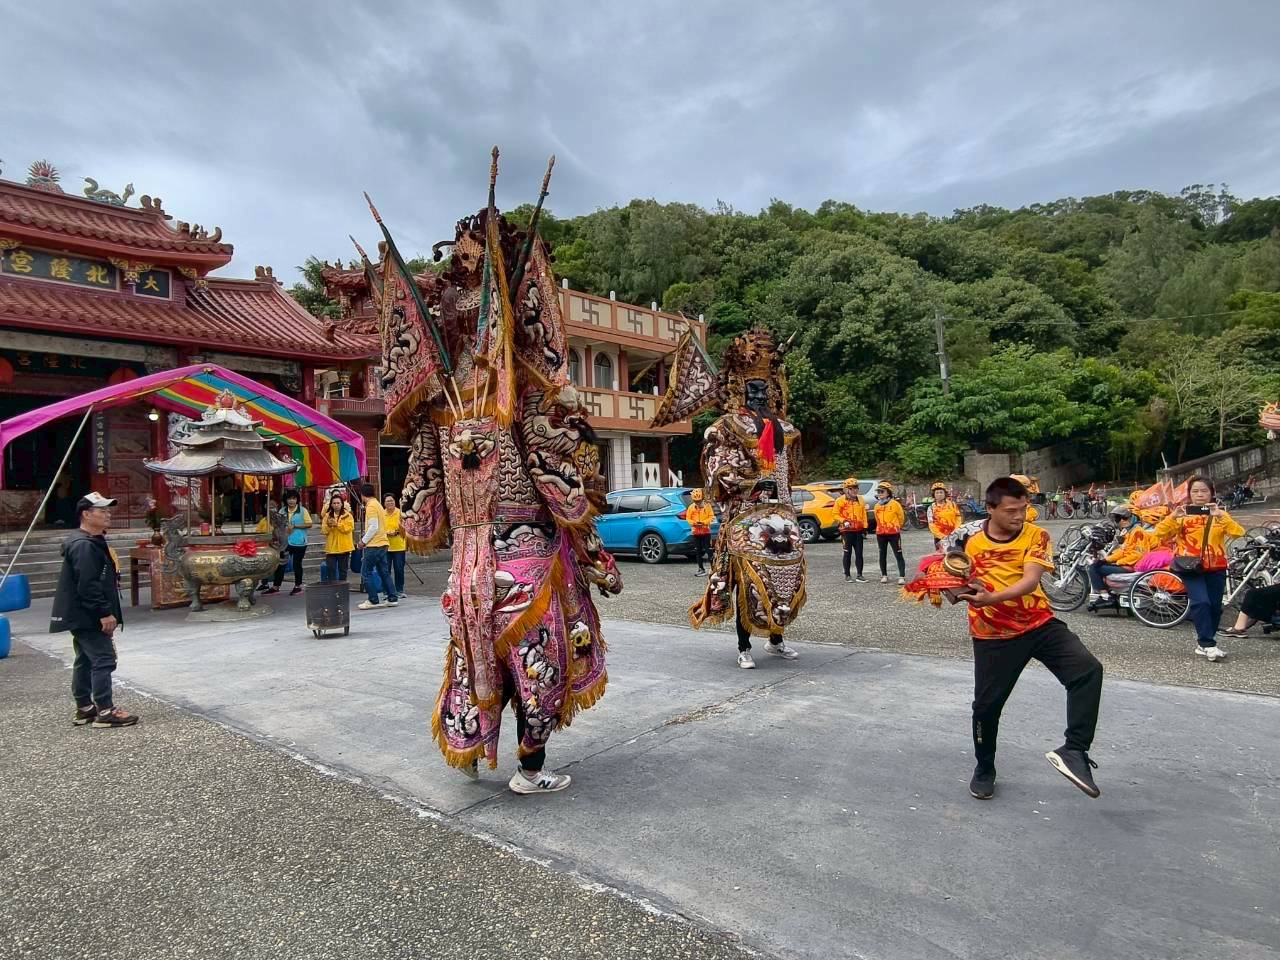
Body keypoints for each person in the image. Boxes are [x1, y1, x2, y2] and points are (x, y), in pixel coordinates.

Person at [384, 183, 623, 793]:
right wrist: (595, 552)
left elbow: (419, 508)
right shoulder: (520, 401)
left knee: (474, 656)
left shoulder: (440, 403)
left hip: (467, 562)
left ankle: (472, 745)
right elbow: (560, 485)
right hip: (523, 554)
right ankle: (531, 767)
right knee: (538, 656)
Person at [944, 476, 1104, 801]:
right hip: (993, 635)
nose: (1019, 516)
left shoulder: (1036, 534)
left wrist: (991, 597)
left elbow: (1030, 581)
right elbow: (947, 577)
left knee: (1088, 671)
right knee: (986, 709)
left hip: (1038, 624)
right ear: (990, 509)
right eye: (1011, 510)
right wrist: (950, 589)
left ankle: (1074, 750)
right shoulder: (964, 538)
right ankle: (984, 768)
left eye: (1023, 509)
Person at [674, 328, 806, 670]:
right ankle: (744, 645)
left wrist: (782, 492)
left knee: (784, 576)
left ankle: (776, 638)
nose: (760, 394)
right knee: (745, 580)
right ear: (740, 388)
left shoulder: (784, 427)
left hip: (782, 512)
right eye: (753, 388)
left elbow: (789, 472)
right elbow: (718, 469)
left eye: (765, 387)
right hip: (744, 513)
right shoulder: (726, 426)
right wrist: (749, 483)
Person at [48, 492, 137, 728]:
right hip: (87, 614)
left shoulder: (91, 541)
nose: (108, 515)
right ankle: (105, 710)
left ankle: (85, 707)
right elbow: (88, 584)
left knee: (86, 659)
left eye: (108, 510)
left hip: (81, 613)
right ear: (86, 514)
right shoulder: (83, 545)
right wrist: (104, 613)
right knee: (104, 658)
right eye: (102, 511)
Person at [1153, 476, 1245, 662]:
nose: (1200, 495)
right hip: (1190, 566)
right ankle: (1207, 644)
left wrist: (1219, 515)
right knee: (1201, 602)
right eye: (1195, 491)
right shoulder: (1182, 515)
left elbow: (1238, 532)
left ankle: (1205, 643)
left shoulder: (1220, 515)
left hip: (1216, 565)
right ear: (1189, 494)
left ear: (1211, 493)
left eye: (1204, 491)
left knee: (1215, 607)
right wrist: (1173, 517)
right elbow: (1159, 533)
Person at [1086, 505, 1153, 608]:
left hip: (1130, 567)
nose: (1119, 521)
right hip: (1126, 564)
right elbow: (1122, 551)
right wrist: (1106, 559)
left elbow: (1137, 555)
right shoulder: (1131, 532)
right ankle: (1107, 594)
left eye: (1120, 518)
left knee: (1093, 568)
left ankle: (1105, 597)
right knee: (1097, 564)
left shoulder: (1138, 532)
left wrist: (1117, 562)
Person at [356, 484, 396, 610]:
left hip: (374, 545)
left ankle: (373, 599)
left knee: (366, 573)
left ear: (362, 494)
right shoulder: (377, 504)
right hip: (382, 543)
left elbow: (374, 526)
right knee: (384, 572)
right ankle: (392, 598)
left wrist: (363, 541)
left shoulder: (371, 506)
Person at [271, 491, 312, 596]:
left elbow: (309, 524)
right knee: (281, 564)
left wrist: (295, 526)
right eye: (289, 499)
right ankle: (276, 586)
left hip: (299, 542)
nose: (291, 501)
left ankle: (298, 586)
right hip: (285, 542)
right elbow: (278, 524)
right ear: (286, 500)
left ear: (297, 500)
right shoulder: (282, 510)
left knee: (297, 564)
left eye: (294, 498)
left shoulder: (302, 511)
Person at [835, 477, 868, 582]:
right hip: (846, 531)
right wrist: (843, 520)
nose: (855, 490)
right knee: (847, 552)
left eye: (856, 488)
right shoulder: (840, 500)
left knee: (859, 553)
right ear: (846, 489)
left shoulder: (861, 499)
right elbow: (835, 514)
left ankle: (860, 575)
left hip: (858, 530)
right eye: (852, 488)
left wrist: (865, 527)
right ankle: (847, 575)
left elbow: (864, 514)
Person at [874, 481, 906, 584]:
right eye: (878, 491)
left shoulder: (895, 504)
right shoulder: (877, 506)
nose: (880, 493)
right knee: (882, 554)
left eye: (882, 491)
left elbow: (901, 518)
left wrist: (896, 527)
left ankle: (902, 576)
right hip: (881, 534)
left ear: (888, 492)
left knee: (898, 554)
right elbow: (876, 518)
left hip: (893, 533)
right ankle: (884, 575)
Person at [321, 492, 354, 583]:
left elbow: (349, 528)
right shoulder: (327, 516)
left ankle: (342, 587)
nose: (336, 505)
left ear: (342, 504)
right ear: (331, 504)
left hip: (344, 547)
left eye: (338, 503)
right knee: (331, 568)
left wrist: (337, 524)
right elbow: (323, 530)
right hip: (331, 547)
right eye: (334, 503)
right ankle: (333, 587)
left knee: (343, 570)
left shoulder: (348, 515)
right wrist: (329, 526)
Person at [686, 488, 716, 577]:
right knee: (698, 551)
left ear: (702, 499)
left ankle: (713, 568)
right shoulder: (691, 507)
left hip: (706, 531)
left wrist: (704, 522)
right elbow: (688, 518)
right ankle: (701, 568)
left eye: (699, 501)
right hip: (696, 532)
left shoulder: (707, 506)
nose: (697, 503)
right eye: (696, 501)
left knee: (708, 550)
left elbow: (711, 517)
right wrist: (694, 523)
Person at [384, 493, 408, 597]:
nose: (390, 503)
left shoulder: (400, 513)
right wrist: (387, 532)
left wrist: (397, 532)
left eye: (391, 500)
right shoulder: (381, 514)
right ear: (384, 503)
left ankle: (399, 590)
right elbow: (379, 528)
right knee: (386, 570)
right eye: (387, 501)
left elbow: (406, 526)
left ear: (395, 502)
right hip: (385, 546)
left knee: (399, 569)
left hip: (399, 546)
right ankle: (387, 591)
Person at [926, 481, 961, 549]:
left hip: (954, 535)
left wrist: (956, 530)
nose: (939, 494)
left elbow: (958, 517)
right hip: (940, 537)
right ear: (934, 495)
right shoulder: (931, 508)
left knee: (955, 556)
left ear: (945, 494)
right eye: (937, 493)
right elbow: (931, 524)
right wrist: (942, 536)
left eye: (941, 492)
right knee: (941, 556)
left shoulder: (952, 504)